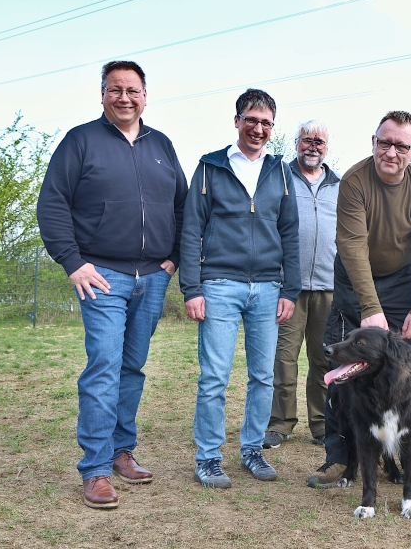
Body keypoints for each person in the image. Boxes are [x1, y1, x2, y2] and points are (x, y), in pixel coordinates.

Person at [37, 60, 188, 509]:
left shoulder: (161, 144)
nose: (125, 97)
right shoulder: (80, 141)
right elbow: (53, 204)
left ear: (146, 95)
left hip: (153, 277)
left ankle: (122, 451)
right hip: (102, 275)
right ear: (102, 93)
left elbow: (182, 207)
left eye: (133, 90)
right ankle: (96, 470)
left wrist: (174, 258)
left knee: (132, 367)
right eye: (115, 89)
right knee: (104, 366)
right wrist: (73, 263)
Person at [306, 110, 411, 490]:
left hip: (401, 279)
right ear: (374, 142)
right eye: (385, 143)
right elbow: (351, 246)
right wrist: (370, 309)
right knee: (340, 367)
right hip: (354, 277)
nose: (391, 152)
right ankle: (338, 458)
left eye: (401, 145)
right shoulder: (354, 180)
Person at [179, 88, 300, 488]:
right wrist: (191, 288)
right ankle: (208, 457)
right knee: (214, 377)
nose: (259, 128)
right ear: (237, 121)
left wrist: (290, 290)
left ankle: (252, 450)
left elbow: (290, 233)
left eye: (266, 122)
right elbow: (192, 228)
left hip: (267, 288)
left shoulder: (280, 171)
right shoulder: (210, 167)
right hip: (218, 285)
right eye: (251, 119)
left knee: (263, 376)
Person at [263, 120, 340, 449]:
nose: (313, 146)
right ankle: (280, 424)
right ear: (296, 143)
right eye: (307, 140)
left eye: (319, 142)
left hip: (329, 287)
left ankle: (322, 425)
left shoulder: (341, 185)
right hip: (288, 288)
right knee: (284, 359)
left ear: (327, 147)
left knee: (324, 361)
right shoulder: (279, 177)